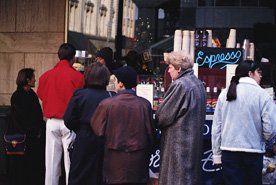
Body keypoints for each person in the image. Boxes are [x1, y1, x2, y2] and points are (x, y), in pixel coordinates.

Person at [212, 60, 276, 185]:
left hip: (228, 150)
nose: (261, 76)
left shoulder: (224, 94)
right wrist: (261, 139)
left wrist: (217, 155)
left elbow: (217, 127)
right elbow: (270, 128)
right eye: (259, 72)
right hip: (253, 151)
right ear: (250, 74)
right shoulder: (262, 95)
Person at [91, 66, 156, 185]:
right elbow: (151, 134)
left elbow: (97, 129)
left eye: (116, 80)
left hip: (114, 159)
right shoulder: (144, 104)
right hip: (138, 159)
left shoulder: (107, 104)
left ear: (121, 84)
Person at [155, 50, 206, 185]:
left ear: (178, 68)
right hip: (192, 146)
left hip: (178, 147)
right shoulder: (198, 83)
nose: (168, 71)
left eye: (170, 67)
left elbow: (162, 116)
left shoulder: (180, 85)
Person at [37, 43, 85, 185]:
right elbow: (81, 99)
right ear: (72, 58)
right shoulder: (77, 77)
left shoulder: (46, 76)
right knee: (70, 163)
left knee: (51, 163)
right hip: (70, 122)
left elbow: (41, 95)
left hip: (51, 121)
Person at [64, 63, 115, 185]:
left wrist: (80, 129)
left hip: (84, 138)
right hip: (105, 140)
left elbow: (68, 119)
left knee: (80, 176)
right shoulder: (111, 97)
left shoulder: (80, 95)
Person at [9, 68, 45, 185]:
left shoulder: (31, 94)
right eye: (33, 78)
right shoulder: (17, 96)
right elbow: (20, 118)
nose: (35, 80)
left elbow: (38, 114)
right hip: (24, 137)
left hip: (33, 136)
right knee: (22, 167)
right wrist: (32, 131)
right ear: (28, 80)